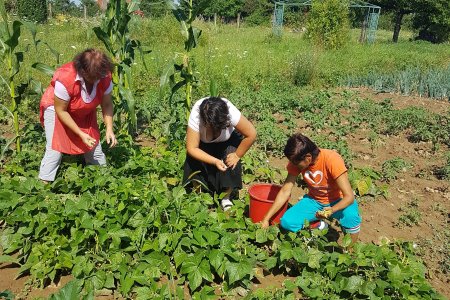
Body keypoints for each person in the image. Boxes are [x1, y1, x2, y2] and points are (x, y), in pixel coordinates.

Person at [261, 133, 361, 243]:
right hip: (315, 201)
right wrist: (266, 218)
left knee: (351, 218)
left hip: (339, 201)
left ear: (308, 158)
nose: (292, 164)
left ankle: (351, 252)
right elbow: (285, 190)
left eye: (295, 162)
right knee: (287, 222)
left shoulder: (331, 159)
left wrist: (331, 210)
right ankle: (319, 225)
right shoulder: (296, 162)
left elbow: (349, 197)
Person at [38, 48, 117, 182]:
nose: (99, 79)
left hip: (82, 109)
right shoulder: (65, 78)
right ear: (83, 71)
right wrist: (81, 134)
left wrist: (109, 129)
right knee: (55, 149)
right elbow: (61, 111)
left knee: (94, 148)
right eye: (94, 76)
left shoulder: (104, 75)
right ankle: (42, 186)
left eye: (101, 75)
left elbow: (107, 104)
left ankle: (104, 182)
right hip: (57, 108)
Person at [183, 97, 257, 211]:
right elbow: (192, 148)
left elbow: (251, 134)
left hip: (228, 140)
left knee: (231, 155)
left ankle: (226, 198)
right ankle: (201, 195)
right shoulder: (197, 117)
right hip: (203, 143)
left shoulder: (230, 113)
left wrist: (237, 155)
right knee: (194, 159)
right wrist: (215, 161)